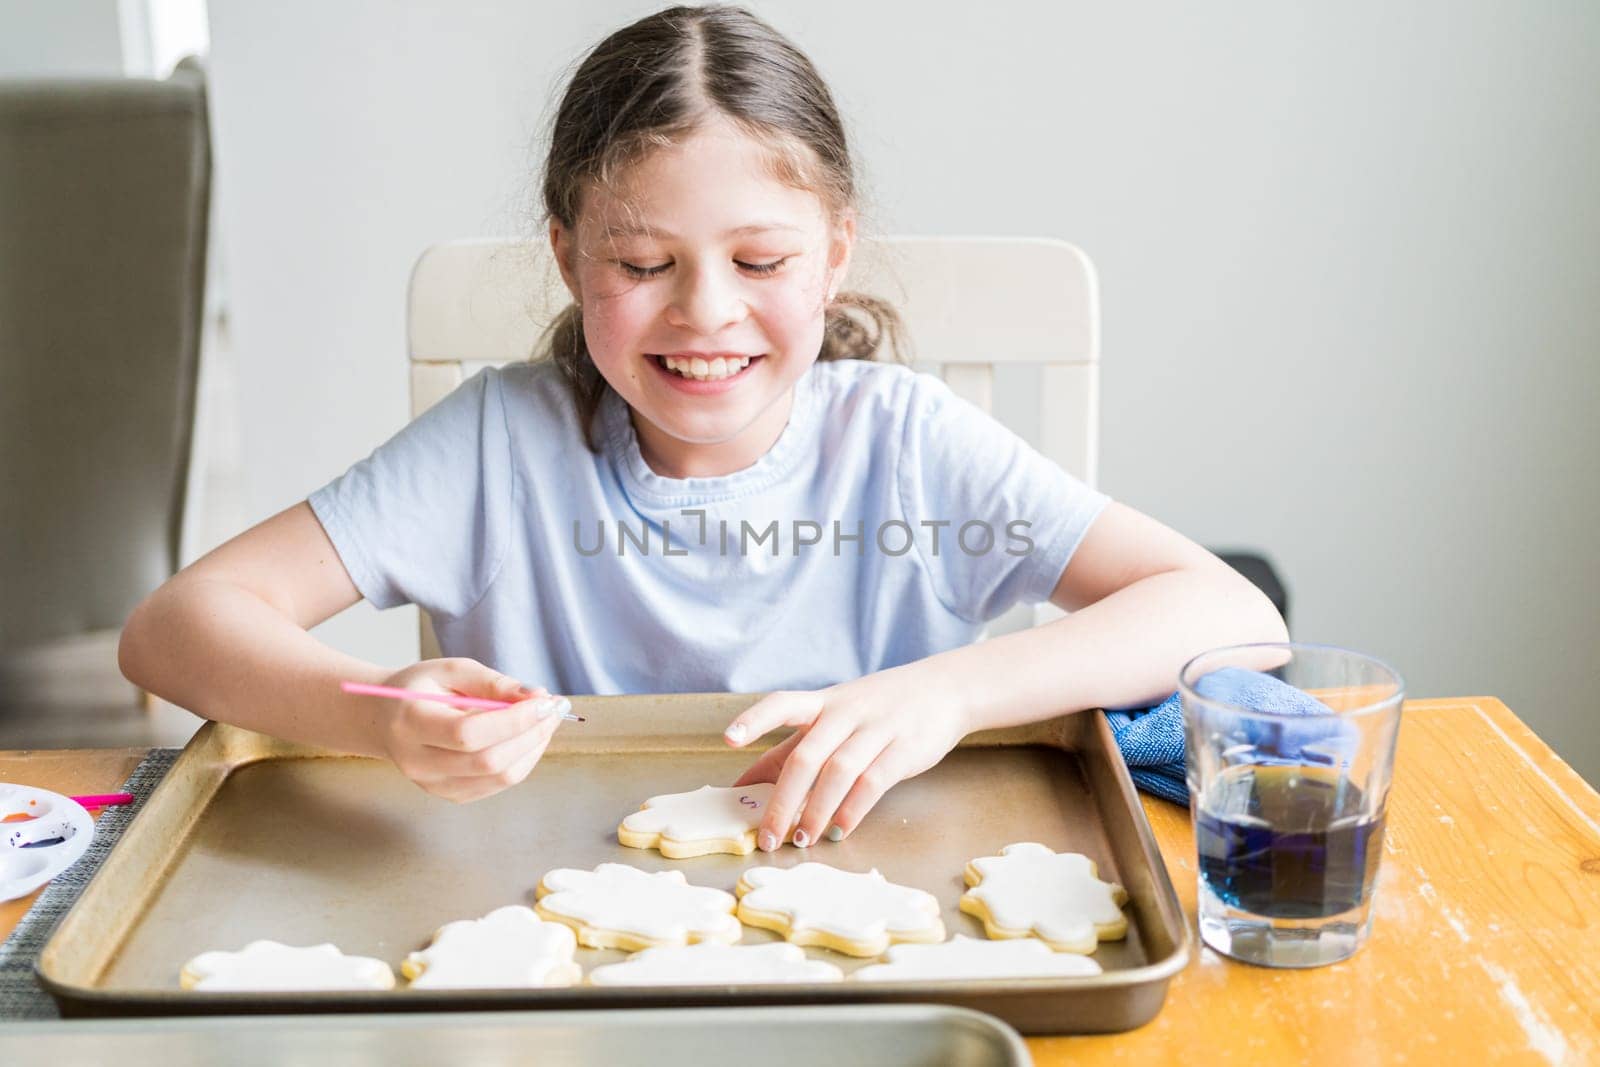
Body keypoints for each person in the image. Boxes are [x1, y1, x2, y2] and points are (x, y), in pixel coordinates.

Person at [118, 5, 1285, 852]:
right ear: (569, 256)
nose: (705, 312)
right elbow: (174, 629)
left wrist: (947, 692)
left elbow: (1234, 613)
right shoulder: (496, 446)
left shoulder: (908, 442)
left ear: (832, 253)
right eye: (641, 262)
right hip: (556, 918)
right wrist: (377, 716)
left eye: (760, 259)